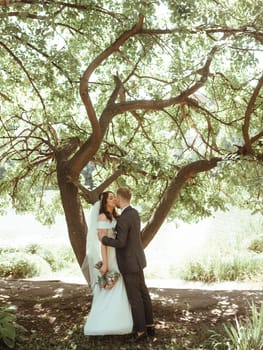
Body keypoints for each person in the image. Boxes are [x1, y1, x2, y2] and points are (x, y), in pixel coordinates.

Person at [100, 187, 155, 343]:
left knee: (135, 298)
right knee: (144, 294)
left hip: (129, 264)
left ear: (119, 198)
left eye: (115, 198)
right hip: (138, 261)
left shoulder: (124, 218)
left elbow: (121, 242)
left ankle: (140, 332)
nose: (115, 200)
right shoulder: (134, 213)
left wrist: (104, 240)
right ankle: (150, 326)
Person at [84, 191, 133, 335]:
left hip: (118, 255)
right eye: (111, 198)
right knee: (110, 286)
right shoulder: (102, 216)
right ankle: (101, 323)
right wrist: (105, 263)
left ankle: (120, 321)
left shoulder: (115, 216)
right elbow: (102, 242)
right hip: (110, 256)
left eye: (114, 197)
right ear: (105, 202)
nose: (114, 199)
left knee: (120, 285)